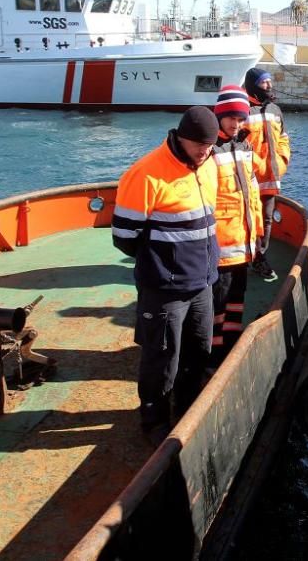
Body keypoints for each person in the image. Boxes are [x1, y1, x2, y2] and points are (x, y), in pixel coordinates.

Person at [112, 106, 221, 445]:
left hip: (202, 282)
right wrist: (164, 263)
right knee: (161, 356)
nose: (205, 151)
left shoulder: (209, 164)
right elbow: (125, 237)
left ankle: (187, 407)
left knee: (198, 350)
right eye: (199, 145)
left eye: (210, 145)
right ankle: (154, 418)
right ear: (180, 137)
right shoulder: (146, 173)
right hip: (164, 288)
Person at [210, 85, 264, 366]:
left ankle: (230, 346)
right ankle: (213, 355)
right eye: (231, 117)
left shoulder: (244, 146)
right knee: (217, 302)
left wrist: (257, 236)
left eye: (241, 118)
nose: (236, 123)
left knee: (236, 298)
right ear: (219, 115)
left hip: (243, 243)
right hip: (219, 245)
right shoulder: (209, 148)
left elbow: (252, 194)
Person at [243, 67, 291, 282]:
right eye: (264, 82)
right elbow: (235, 144)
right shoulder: (242, 109)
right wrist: (256, 165)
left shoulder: (275, 110)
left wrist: (281, 161)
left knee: (267, 219)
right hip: (247, 179)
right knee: (247, 219)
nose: (269, 86)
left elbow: (283, 139)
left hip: (271, 176)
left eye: (270, 81)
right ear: (253, 85)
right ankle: (244, 257)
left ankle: (260, 257)